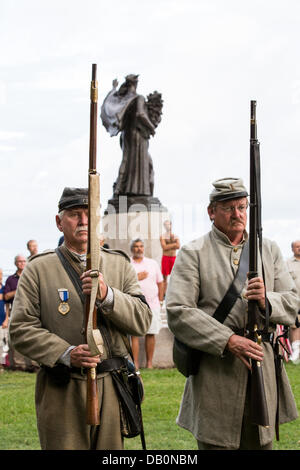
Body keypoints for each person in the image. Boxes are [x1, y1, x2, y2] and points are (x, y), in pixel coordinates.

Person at [9, 187, 152, 450]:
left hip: (111, 384)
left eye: (89, 214)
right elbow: (19, 330)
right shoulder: (38, 269)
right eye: (75, 214)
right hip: (61, 387)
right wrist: (66, 352)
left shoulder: (119, 264)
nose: (84, 221)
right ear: (59, 222)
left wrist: (108, 296)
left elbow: (142, 320)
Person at [166, 177, 299, 450]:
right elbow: (178, 311)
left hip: (262, 369)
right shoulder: (193, 253)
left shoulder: (269, 249)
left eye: (242, 206)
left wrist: (266, 300)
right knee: (217, 444)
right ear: (211, 211)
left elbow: (293, 303)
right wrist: (227, 339)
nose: (237, 214)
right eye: (228, 208)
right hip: (215, 373)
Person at [130, 238, 164, 369]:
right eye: (136, 246)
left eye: (141, 246)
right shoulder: (128, 264)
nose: (139, 249)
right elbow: (123, 283)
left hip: (152, 304)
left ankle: (149, 364)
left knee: (151, 333)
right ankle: (135, 364)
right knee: (135, 334)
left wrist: (160, 300)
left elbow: (160, 282)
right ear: (132, 248)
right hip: (134, 304)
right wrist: (137, 277)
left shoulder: (152, 263)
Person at [3, 254, 33, 371]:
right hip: (15, 311)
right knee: (16, 339)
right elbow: (6, 296)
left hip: (30, 310)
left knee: (31, 338)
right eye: (19, 261)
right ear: (16, 263)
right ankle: (19, 365)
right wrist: (19, 289)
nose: (22, 263)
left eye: (23, 261)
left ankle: (33, 364)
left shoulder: (30, 276)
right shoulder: (11, 279)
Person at [286, 240, 300, 363]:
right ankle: (295, 352)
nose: (299, 248)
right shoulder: (287, 264)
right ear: (292, 249)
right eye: (297, 247)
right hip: (295, 300)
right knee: (295, 325)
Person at [160, 220, 180, 296]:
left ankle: (175, 294)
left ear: (171, 225)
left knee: (175, 277)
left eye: (168, 224)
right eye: (165, 225)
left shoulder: (175, 236)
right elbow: (164, 247)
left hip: (173, 258)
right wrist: (174, 244)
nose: (167, 226)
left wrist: (170, 245)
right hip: (166, 258)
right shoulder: (162, 236)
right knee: (164, 278)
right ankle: (164, 294)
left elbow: (178, 246)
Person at [0, 268, 7, 373]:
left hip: (2, 321)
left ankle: (1, 366)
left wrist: (6, 319)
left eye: (0, 274)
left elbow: (8, 305)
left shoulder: (4, 288)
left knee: (2, 344)